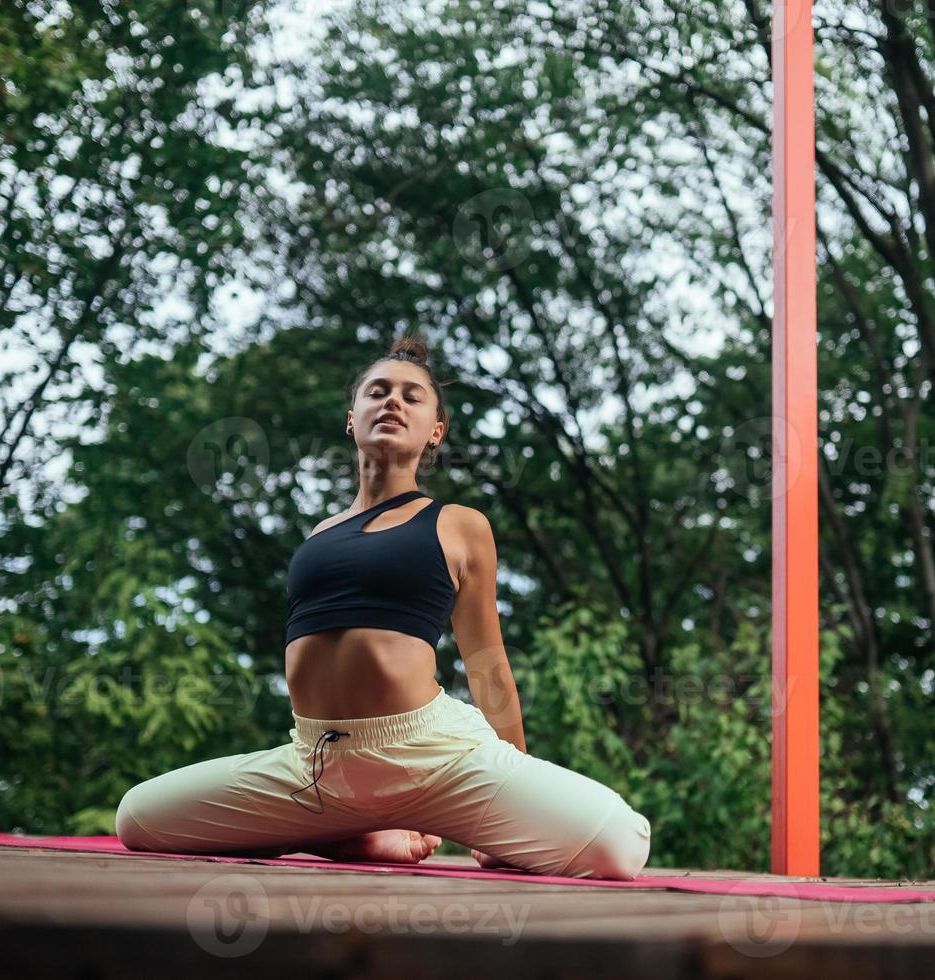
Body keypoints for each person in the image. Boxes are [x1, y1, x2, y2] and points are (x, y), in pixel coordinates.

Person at [114, 335, 652, 879]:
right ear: (353, 418)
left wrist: (515, 779)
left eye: (412, 396)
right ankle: (348, 837)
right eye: (378, 391)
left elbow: (486, 661)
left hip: (432, 755)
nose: (393, 401)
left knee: (619, 845)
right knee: (138, 818)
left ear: (435, 431)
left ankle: (343, 829)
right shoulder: (320, 533)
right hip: (316, 764)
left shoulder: (459, 524)